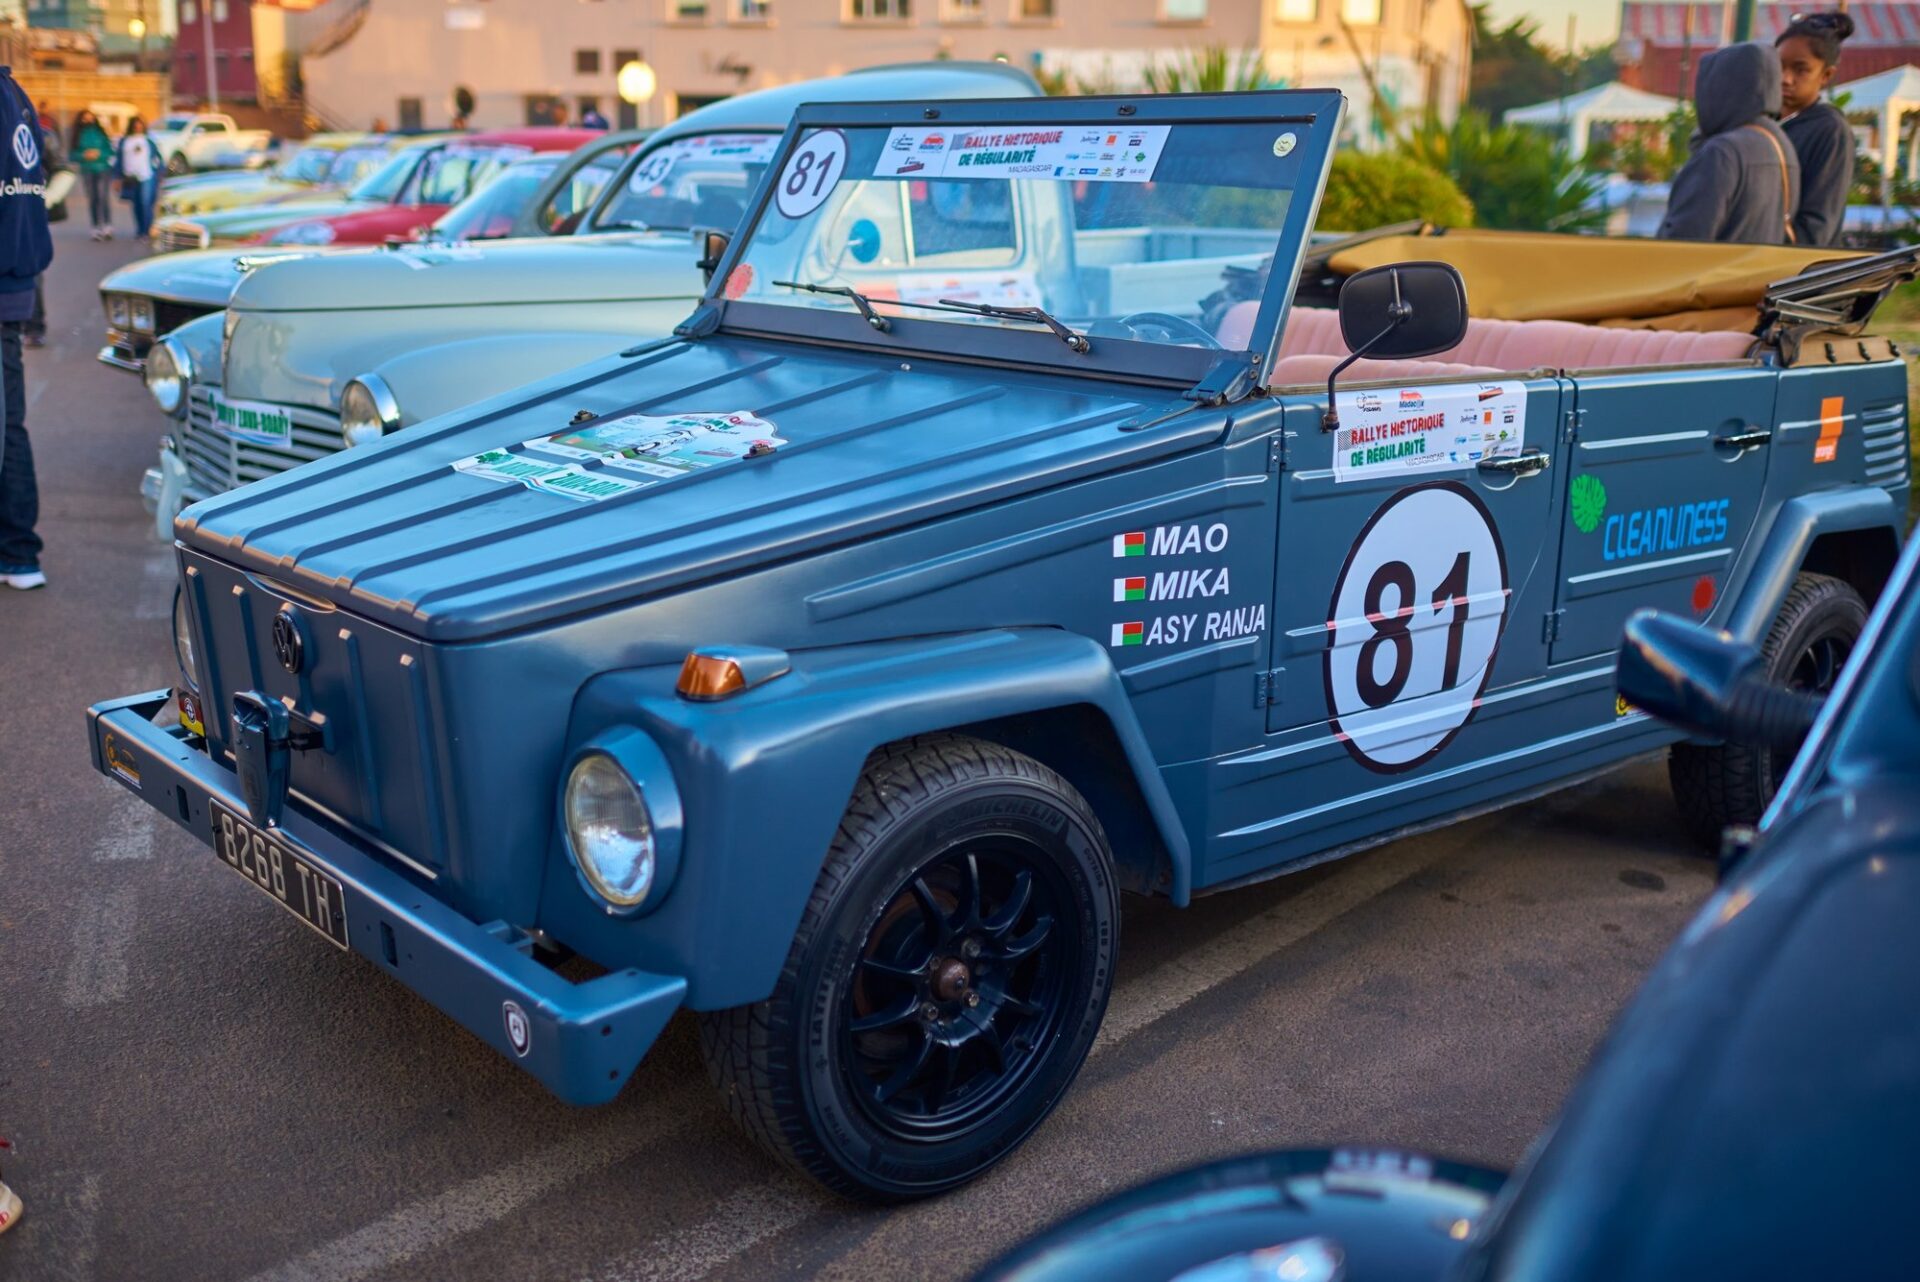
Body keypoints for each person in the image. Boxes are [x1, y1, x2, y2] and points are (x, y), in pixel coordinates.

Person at [1659, 42, 1801, 244]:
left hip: (1717, 273)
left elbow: (1684, 240)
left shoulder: (1721, 152)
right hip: (1761, 273)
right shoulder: (1781, 143)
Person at [1, 67, 54, 592]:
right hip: (16, 282)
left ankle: (17, 552)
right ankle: (18, 552)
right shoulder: (15, 96)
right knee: (9, 423)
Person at [1777, 12, 1857, 247]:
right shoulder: (1765, 122)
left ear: (1826, 75)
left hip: (1796, 273)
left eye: (1800, 70)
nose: (1786, 79)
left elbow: (1817, 227)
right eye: (1778, 66)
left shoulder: (1830, 130)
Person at [69, 108, 115, 240]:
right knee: (93, 199)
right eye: (85, 118)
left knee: (103, 197)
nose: (88, 120)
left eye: (90, 117)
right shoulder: (78, 134)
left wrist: (99, 154)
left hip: (103, 168)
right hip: (87, 169)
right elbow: (72, 155)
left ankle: (107, 225)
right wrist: (83, 155)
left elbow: (110, 151)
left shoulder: (100, 133)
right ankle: (95, 226)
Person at [116, 115, 162, 238]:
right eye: (135, 125)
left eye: (140, 125)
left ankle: (147, 229)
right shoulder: (125, 141)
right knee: (136, 204)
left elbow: (158, 159)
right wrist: (117, 177)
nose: (137, 128)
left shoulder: (148, 141)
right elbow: (119, 160)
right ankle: (140, 229)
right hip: (131, 176)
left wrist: (158, 173)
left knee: (145, 202)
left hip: (146, 175)